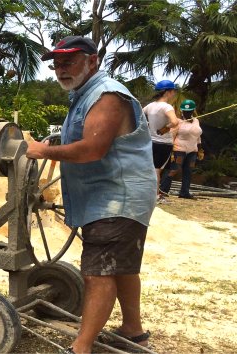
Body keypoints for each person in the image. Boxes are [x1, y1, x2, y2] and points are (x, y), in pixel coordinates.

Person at [26, 36, 157, 354]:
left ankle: (81, 347)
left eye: (69, 61)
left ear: (93, 61)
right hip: (115, 195)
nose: (61, 69)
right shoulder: (84, 96)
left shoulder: (106, 95)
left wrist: (42, 149)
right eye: (56, 64)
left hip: (116, 197)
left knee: (98, 272)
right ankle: (133, 331)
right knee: (121, 266)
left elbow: (93, 149)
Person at [143, 80, 180, 203]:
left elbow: (139, 116)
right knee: (157, 170)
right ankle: (155, 196)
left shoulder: (150, 106)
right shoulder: (167, 106)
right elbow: (175, 122)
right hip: (164, 143)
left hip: (151, 142)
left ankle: (149, 194)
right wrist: (165, 128)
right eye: (173, 91)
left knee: (152, 168)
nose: (174, 93)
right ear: (168, 92)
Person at [159, 99, 203, 199]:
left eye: (189, 111)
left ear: (193, 111)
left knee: (188, 171)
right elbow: (172, 136)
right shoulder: (178, 122)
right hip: (179, 149)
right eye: (185, 111)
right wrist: (171, 151)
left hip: (193, 151)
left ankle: (184, 192)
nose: (187, 113)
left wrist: (200, 150)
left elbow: (198, 137)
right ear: (182, 111)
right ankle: (163, 190)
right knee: (174, 170)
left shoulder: (196, 121)